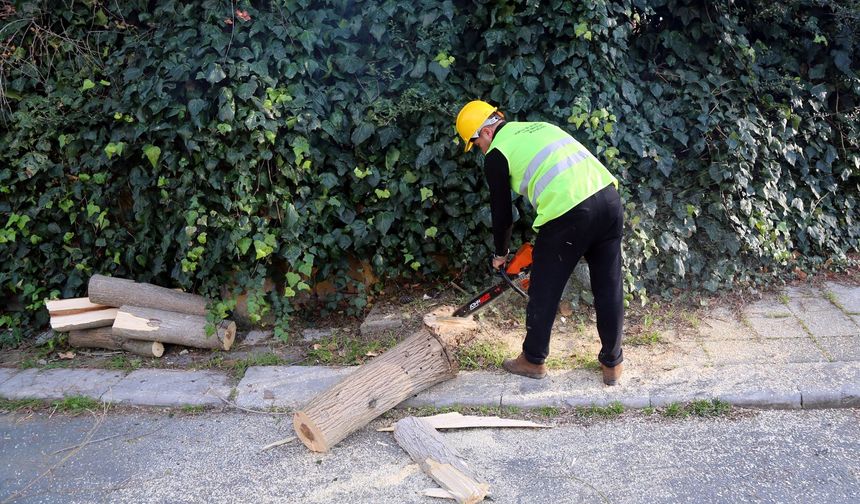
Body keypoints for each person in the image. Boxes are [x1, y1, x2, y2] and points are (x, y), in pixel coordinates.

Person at [455, 100, 625, 385]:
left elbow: (502, 213)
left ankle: (533, 360)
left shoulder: (497, 153)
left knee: (544, 288)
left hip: (568, 213)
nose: (481, 150)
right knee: (609, 286)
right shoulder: (540, 128)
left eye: (476, 144)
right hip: (608, 199)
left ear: (484, 133)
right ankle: (613, 363)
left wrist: (501, 254)